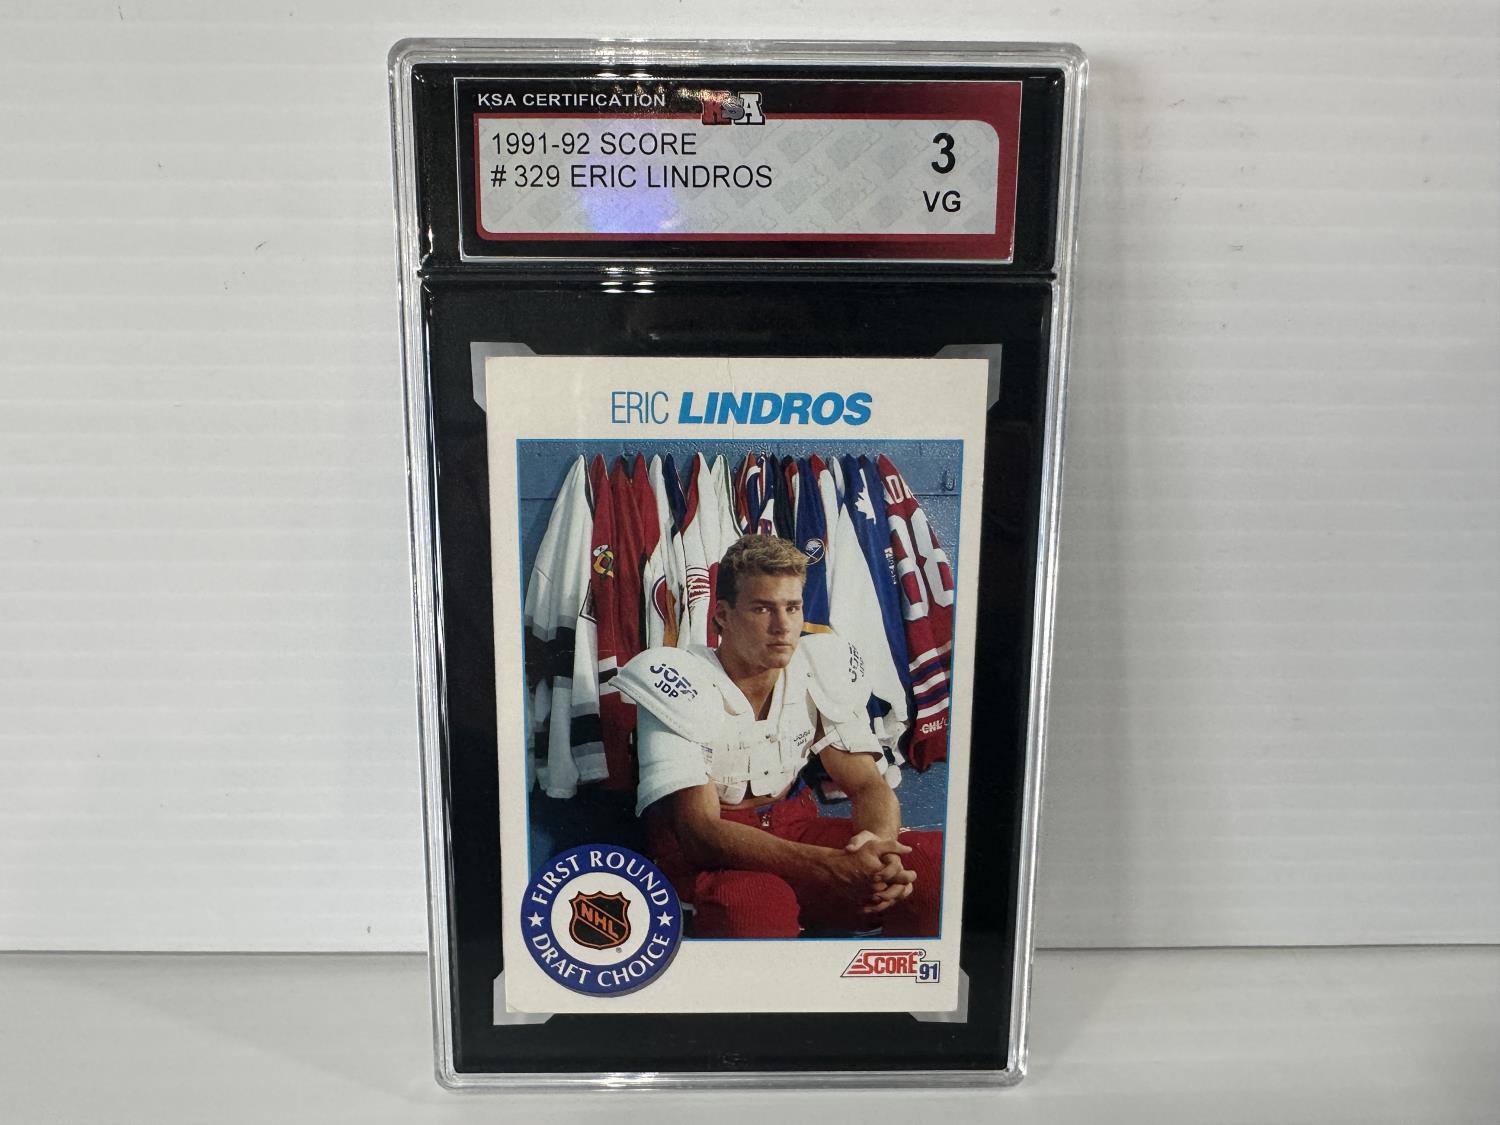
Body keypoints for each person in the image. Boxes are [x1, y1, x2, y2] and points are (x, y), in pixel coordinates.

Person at [616, 534, 942, 938]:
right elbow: (700, 834)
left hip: (792, 825)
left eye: (792, 607)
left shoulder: (817, 666)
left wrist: (877, 853)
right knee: (755, 906)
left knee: (929, 863)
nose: (783, 626)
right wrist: (828, 866)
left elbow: (867, 785)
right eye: (762, 608)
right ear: (722, 616)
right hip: (717, 850)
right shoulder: (680, 680)